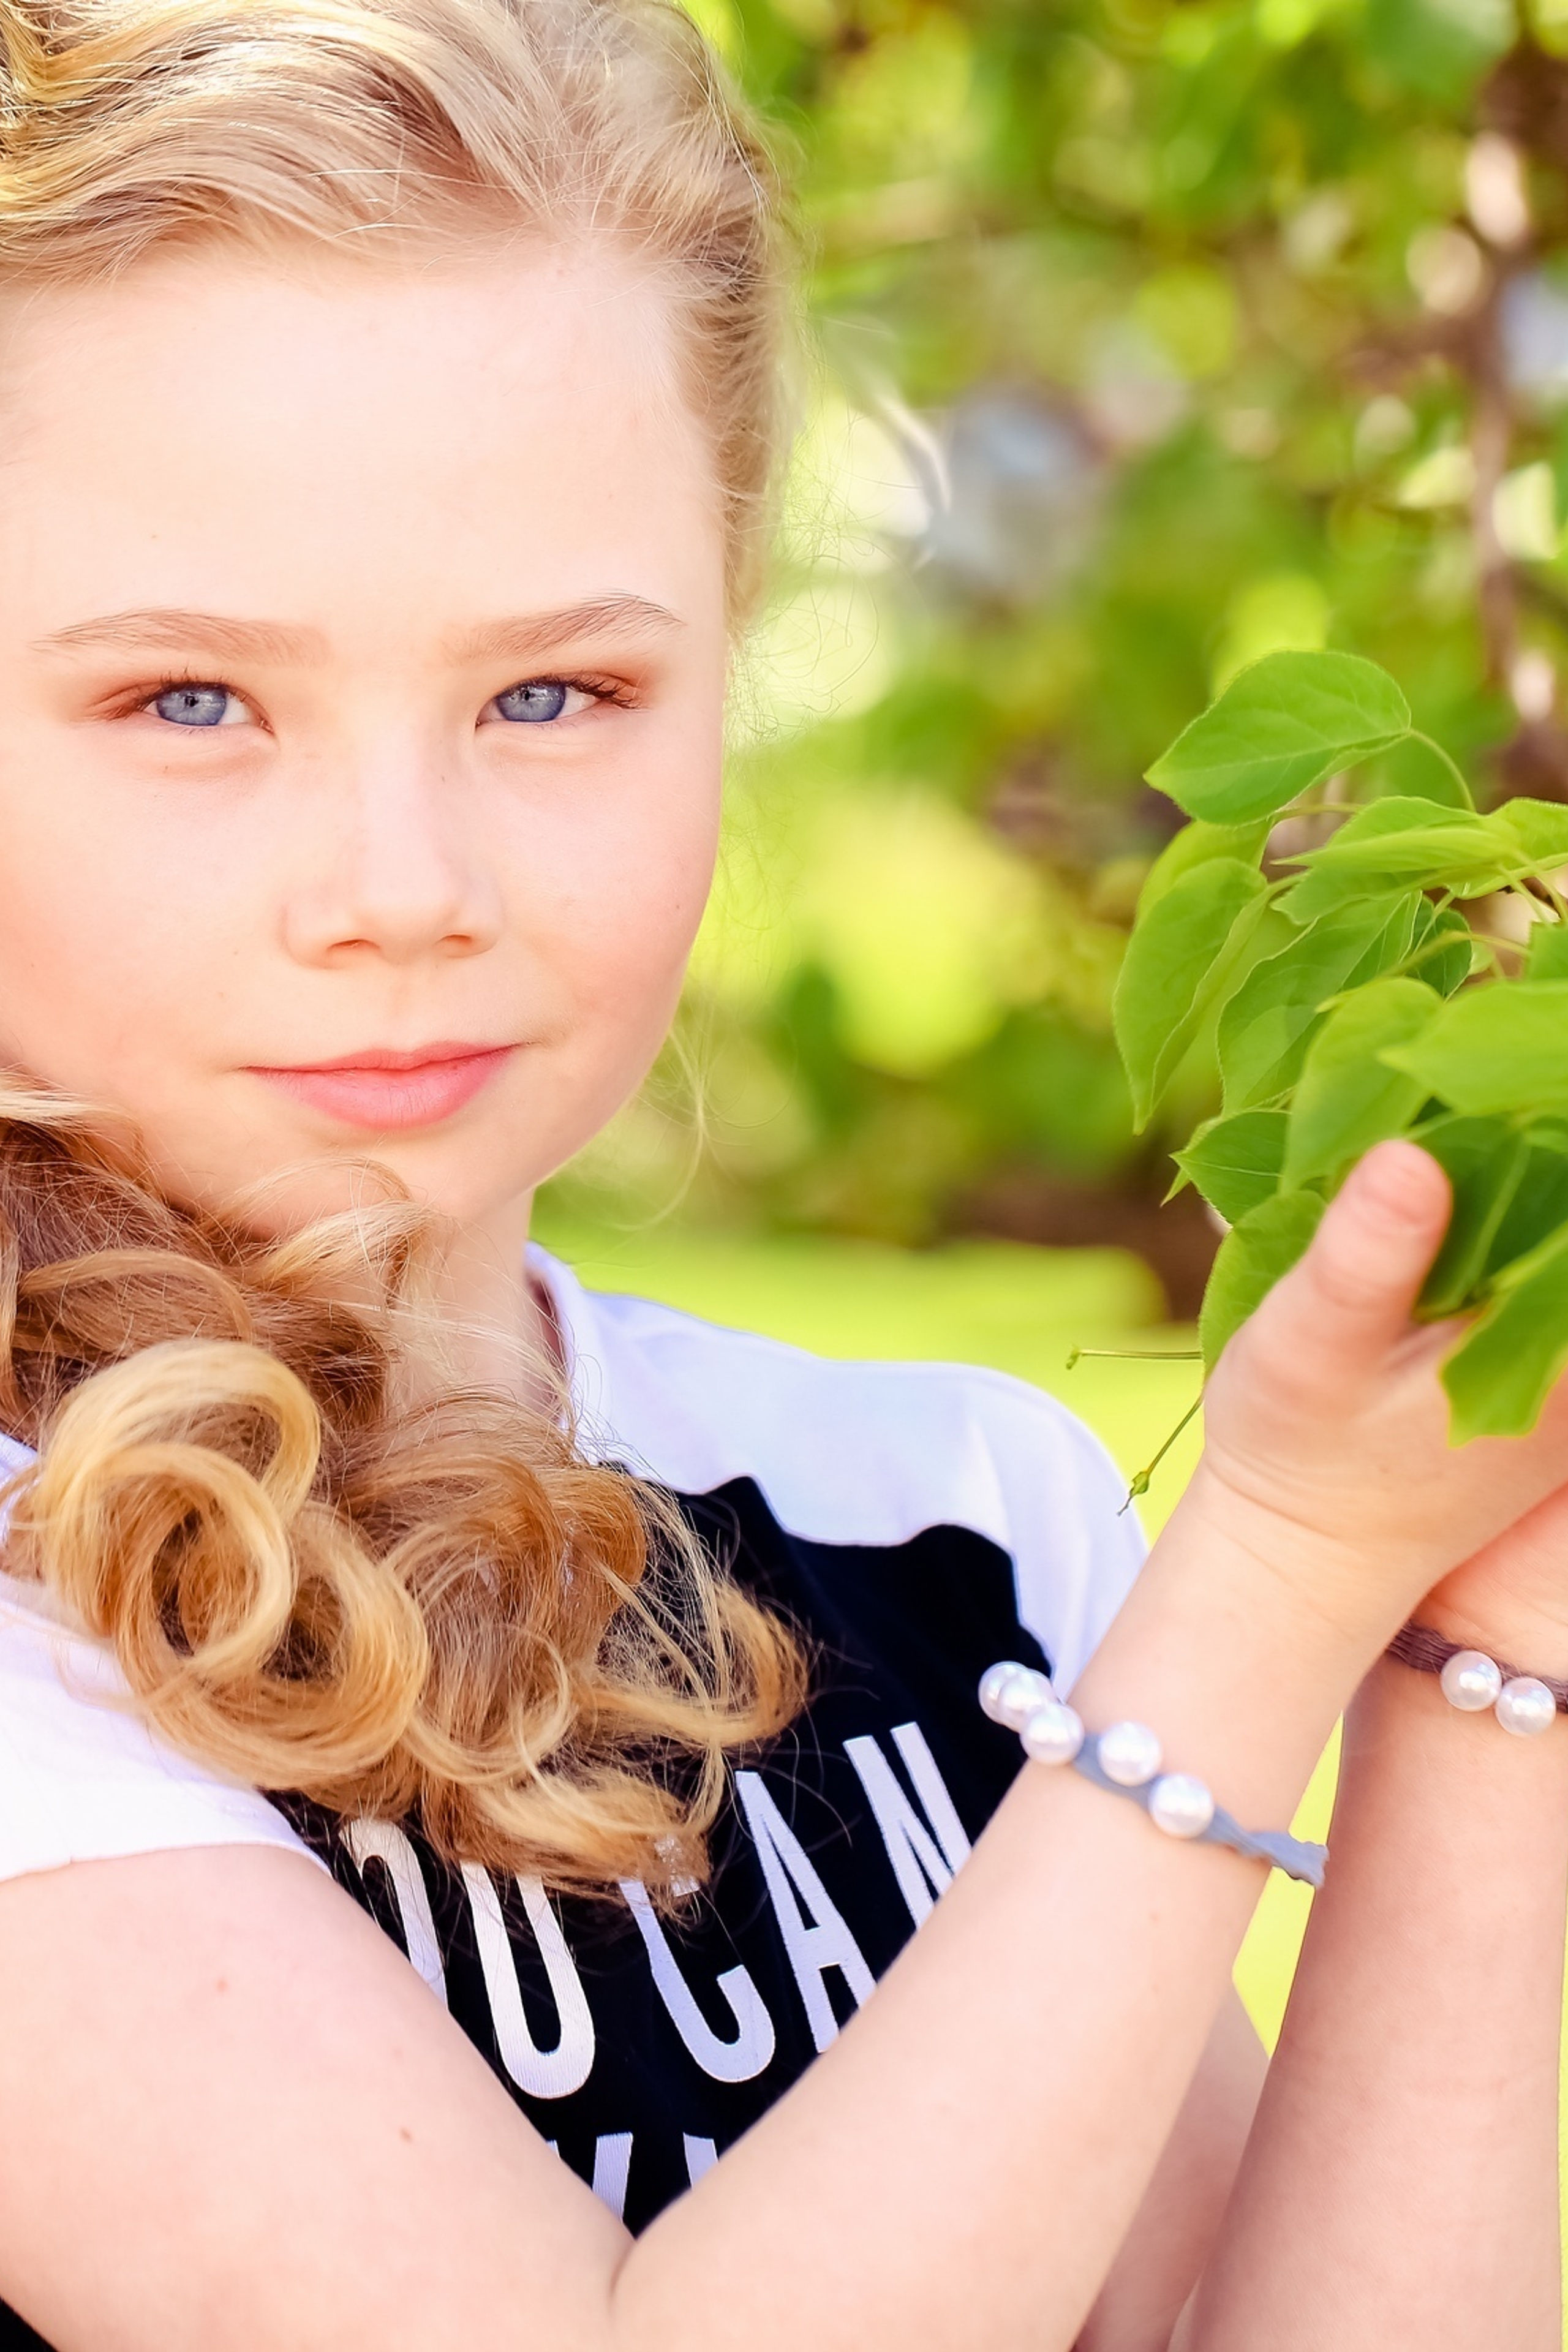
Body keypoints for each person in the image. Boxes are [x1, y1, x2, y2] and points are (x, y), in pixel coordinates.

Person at [0, 1, 1562, 2344]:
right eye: (186, 703)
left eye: (556, 696)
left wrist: (1475, 1613)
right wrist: (1262, 1589)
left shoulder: (942, 1521)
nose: (404, 884)